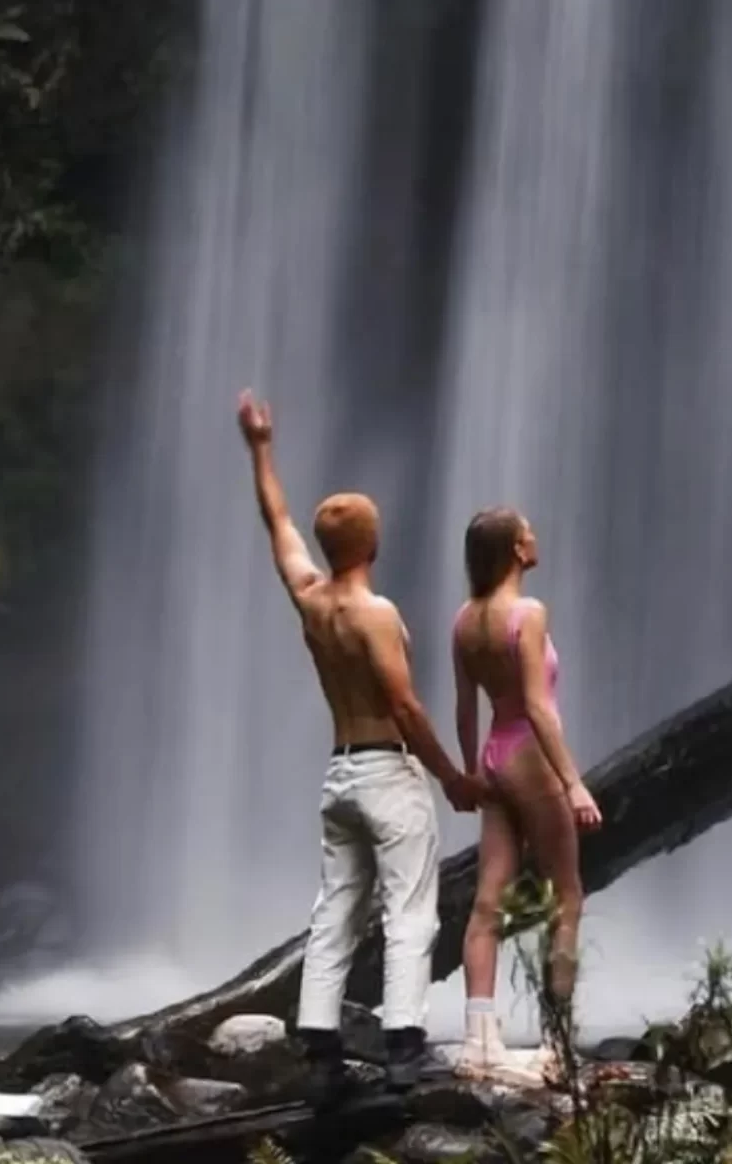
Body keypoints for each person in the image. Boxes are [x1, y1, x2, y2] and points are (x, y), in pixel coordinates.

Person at [236, 391, 481, 1098]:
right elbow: (404, 704)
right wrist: (452, 779)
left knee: (336, 908)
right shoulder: (376, 614)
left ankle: (319, 1047)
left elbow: (277, 522)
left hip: (338, 775)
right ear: (373, 545)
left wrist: (261, 447)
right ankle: (404, 1045)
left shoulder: (311, 599)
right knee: (409, 909)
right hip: (385, 772)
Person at [451, 507, 600, 1075]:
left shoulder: (465, 619)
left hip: (493, 756)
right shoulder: (528, 613)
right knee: (567, 896)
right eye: (529, 531)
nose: (536, 536)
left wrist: (470, 773)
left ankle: (479, 1041)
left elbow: (467, 707)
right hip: (530, 759)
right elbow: (538, 707)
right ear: (516, 548)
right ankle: (557, 1044)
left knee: (489, 901)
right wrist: (573, 782)